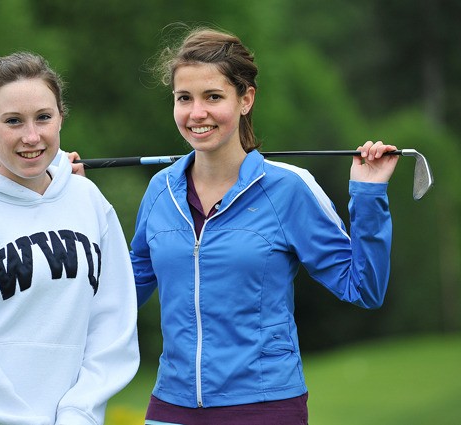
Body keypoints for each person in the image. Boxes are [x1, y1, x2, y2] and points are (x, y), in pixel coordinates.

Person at [129, 27, 399, 425]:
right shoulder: (159, 191)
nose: (196, 113)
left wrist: (368, 194)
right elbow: (117, 294)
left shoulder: (288, 188)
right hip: (170, 406)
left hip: (264, 407)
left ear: (245, 99)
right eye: (184, 98)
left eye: (213, 97)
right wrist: (66, 201)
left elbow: (364, 287)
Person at [0, 51, 139, 425]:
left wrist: (78, 413)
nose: (31, 136)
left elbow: (113, 327)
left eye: (43, 118)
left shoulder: (89, 201)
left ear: (61, 117)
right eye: (13, 121)